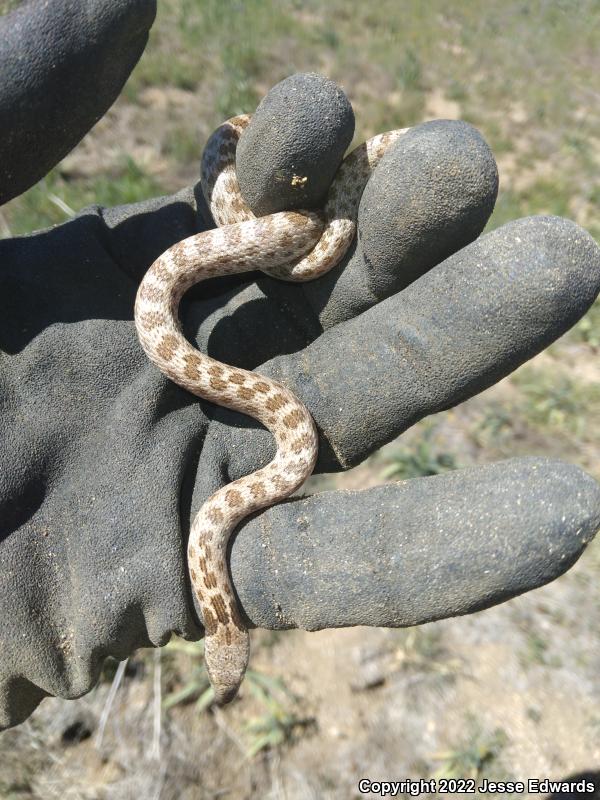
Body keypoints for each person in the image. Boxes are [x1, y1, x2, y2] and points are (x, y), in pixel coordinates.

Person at [1, 0, 599, 731]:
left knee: (312, 240)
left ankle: (310, 206)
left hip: (236, 263)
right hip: (232, 266)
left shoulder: (225, 506)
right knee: (309, 242)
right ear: (232, 628)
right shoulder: (233, 501)